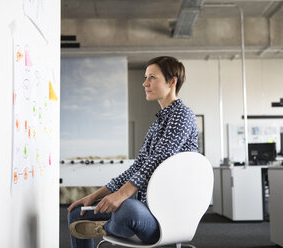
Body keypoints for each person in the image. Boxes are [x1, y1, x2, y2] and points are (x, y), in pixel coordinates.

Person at [67, 56, 199, 248]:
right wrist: (94, 196)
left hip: (167, 216)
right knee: (77, 211)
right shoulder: (156, 125)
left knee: (126, 209)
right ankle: (111, 225)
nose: (145, 83)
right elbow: (137, 167)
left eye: (152, 77)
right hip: (145, 206)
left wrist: (120, 196)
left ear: (172, 81)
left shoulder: (182, 115)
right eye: (146, 77)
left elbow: (158, 160)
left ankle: (108, 226)